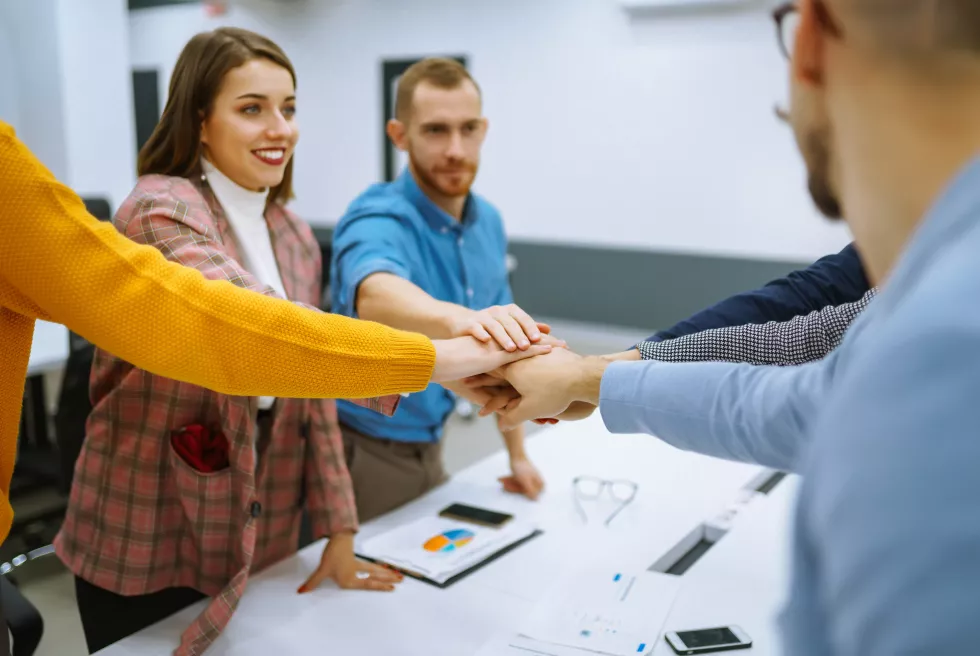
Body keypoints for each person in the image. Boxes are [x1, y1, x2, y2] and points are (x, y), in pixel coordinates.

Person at [0, 31, 552, 656]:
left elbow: (312, 398)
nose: (280, 128)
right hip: (152, 523)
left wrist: (340, 528)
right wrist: (442, 356)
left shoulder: (288, 231)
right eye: (252, 108)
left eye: (289, 108)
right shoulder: (161, 208)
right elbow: (248, 325)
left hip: (264, 520)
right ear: (201, 120)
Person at [492, 0, 980, 652]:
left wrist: (587, 377)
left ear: (808, 38)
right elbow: (794, 360)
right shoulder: (926, 294)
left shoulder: (939, 355)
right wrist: (591, 377)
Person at [329, 58, 548, 521]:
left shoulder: (487, 221)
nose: (455, 148)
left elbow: (503, 336)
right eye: (435, 130)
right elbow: (374, 290)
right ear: (399, 135)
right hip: (367, 446)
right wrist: (457, 318)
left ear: (483, 129)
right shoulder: (378, 215)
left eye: (468, 129)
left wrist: (517, 453)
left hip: (435, 435)